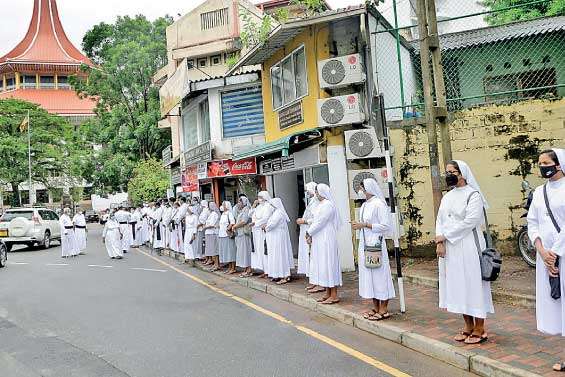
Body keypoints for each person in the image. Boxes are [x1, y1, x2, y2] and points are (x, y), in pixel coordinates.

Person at [435, 160, 494, 344]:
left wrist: (445, 236)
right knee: (458, 285)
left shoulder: (473, 195)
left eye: (453, 171)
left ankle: (480, 327)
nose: (449, 175)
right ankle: (467, 325)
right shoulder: (447, 197)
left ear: (463, 173)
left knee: (473, 284)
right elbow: (440, 220)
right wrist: (440, 241)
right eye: (447, 172)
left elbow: (470, 221)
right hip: (450, 248)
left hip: (470, 245)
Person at [527, 148, 565, 373]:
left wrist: (556, 252)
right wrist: (541, 250)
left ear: (558, 164)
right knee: (558, 306)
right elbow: (532, 222)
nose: (542, 167)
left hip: (561, 255)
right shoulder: (539, 192)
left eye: (545, 162)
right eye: (539, 163)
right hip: (546, 258)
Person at [352, 178, 395, 320]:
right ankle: (375, 306)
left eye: (363, 188)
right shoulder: (365, 205)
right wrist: (360, 225)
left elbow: (385, 226)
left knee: (380, 275)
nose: (361, 191)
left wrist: (365, 225)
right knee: (369, 275)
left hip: (376, 244)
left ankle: (384, 309)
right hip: (365, 244)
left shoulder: (379, 204)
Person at [306, 184, 342, 304]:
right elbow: (315, 220)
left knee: (329, 264)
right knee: (322, 265)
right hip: (319, 237)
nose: (315, 194)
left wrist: (309, 232)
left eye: (317, 192)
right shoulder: (320, 205)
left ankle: (334, 294)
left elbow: (321, 221)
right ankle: (327, 292)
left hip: (326, 237)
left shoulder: (328, 205)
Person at [263, 197, 294, 284]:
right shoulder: (275, 213)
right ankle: (277, 274)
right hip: (274, 238)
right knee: (276, 256)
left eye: (272, 205)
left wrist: (265, 227)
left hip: (278, 238)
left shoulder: (279, 213)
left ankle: (285, 275)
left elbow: (272, 224)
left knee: (280, 255)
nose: (271, 206)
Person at [297, 182, 320, 292]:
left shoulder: (317, 202)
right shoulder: (312, 201)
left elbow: (316, 219)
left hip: (311, 231)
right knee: (310, 257)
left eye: (307, 190)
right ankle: (314, 281)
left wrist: (304, 221)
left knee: (313, 257)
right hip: (307, 230)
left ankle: (318, 282)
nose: (306, 192)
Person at [250, 191, 274, 278]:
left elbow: (265, 219)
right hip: (256, 232)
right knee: (259, 251)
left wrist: (255, 223)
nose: (259, 199)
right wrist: (253, 205)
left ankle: (268, 271)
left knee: (265, 250)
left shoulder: (268, 207)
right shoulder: (259, 206)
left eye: (260, 197)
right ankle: (264, 270)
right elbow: (250, 215)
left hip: (262, 231)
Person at [234, 195, 253, 277]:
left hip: (244, 234)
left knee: (246, 251)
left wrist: (235, 226)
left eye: (240, 201)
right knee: (242, 252)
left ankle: (249, 269)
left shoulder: (246, 209)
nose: (238, 203)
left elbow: (244, 221)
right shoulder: (242, 210)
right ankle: (245, 268)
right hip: (240, 234)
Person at [218, 201, 237, 274]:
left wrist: (227, 229)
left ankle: (233, 268)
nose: (222, 206)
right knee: (226, 252)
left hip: (227, 235)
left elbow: (232, 222)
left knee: (231, 251)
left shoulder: (229, 213)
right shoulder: (223, 214)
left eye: (223, 205)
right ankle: (229, 267)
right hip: (222, 235)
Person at [203, 202, 220, 271]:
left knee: (214, 250)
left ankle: (216, 264)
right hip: (209, 233)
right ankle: (215, 264)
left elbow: (212, 224)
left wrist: (205, 227)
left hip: (212, 233)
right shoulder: (211, 214)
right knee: (211, 250)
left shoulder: (214, 214)